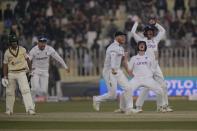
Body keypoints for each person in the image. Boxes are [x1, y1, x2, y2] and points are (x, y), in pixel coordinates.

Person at [131, 17, 173, 112]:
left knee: (163, 85)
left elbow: (163, 31)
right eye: (148, 31)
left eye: (151, 31)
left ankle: (163, 106)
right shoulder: (141, 41)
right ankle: (138, 106)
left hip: (156, 66)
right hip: (147, 67)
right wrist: (136, 23)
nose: (150, 33)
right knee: (146, 87)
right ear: (145, 32)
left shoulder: (155, 40)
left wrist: (155, 24)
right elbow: (133, 32)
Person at [115, 41, 166, 113]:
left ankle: (160, 107)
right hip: (136, 79)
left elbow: (154, 67)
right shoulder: (134, 58)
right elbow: (129, 70)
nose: (142, 46)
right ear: (138, 47)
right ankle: (122, 109)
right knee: (124, 92)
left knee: (160, 90)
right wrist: (125, 59)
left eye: (143, 45)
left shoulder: (149, 57)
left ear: (145, 47)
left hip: (148, 79)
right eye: (140, 45)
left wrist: (156, 58)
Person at [92, 31, 135, 114]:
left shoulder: (121, 48)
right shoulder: (113, 47)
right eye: (121, 36)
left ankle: (129, 108)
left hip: (117, 70)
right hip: (109, 72)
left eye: (124, 37)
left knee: (128, 88)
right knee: (112, 95)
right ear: (116, 37)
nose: (124, 38)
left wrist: (128, 71)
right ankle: (97, 99)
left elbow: (123, 61)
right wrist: (112, 69)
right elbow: (113, 57)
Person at [1, 34, 35, 115]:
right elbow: (5, 65)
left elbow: (28, 60)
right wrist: (5, 76)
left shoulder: (22, 49)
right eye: (13, 42)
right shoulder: (7, 53)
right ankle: (9, 110)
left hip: (21, 72)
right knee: (9, 92)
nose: (14, 43)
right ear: (10, 42)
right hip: (11, 73)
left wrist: (30, 70)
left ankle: (30, 109)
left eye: (15, 42)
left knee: (26, 90)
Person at [29, 35, 69, 101]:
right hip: (35, 70)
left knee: (44, 92)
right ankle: (30, 103)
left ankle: (31, 97)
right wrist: (29, 70)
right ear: (38, 42)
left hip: (45, 71)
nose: (43, 44)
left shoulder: (49, 49)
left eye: (44, 42)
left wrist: (65, 67)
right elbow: (28, 60)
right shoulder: (33, 50)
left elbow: (58, 58)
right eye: (41, 42)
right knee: (35, 88)